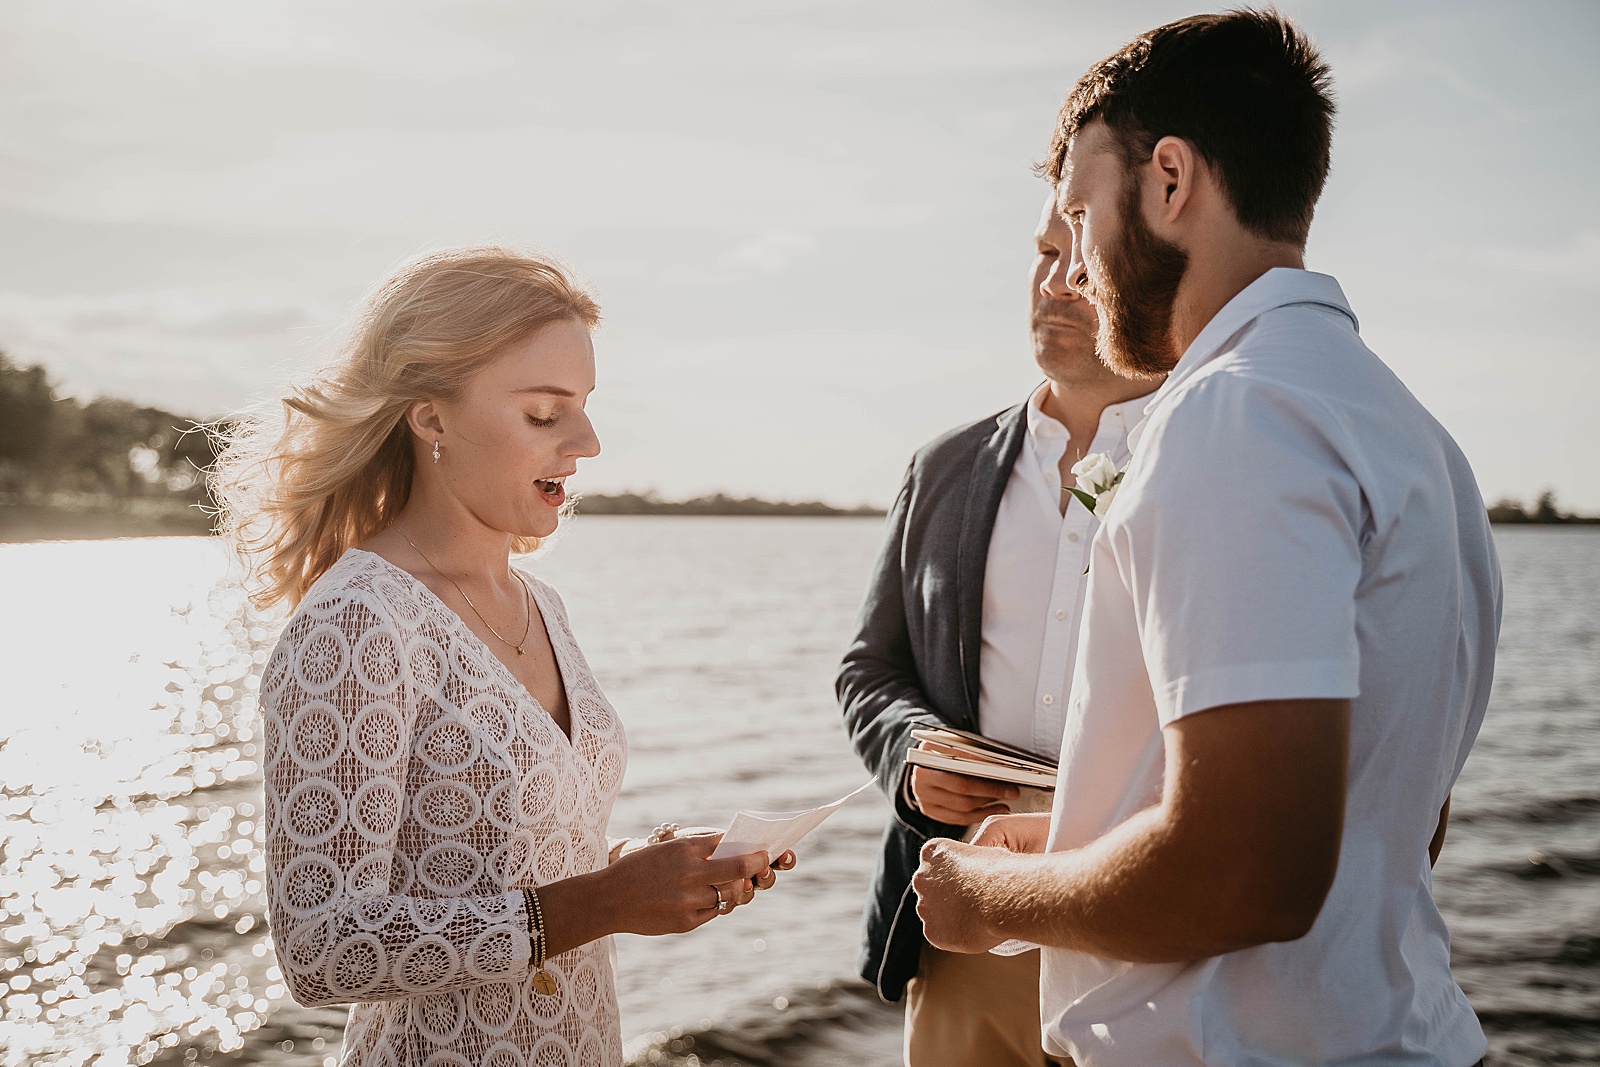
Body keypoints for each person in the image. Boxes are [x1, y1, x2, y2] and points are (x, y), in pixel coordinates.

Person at [911, 12, 1500, 1067]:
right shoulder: (1411, 433)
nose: (1076, 268)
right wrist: (1072, 842)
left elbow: (1244, 869)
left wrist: (988, 895)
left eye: (1080, 215)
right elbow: (1387, 819)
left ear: (1168, 182)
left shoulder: (1235, 417)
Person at [213, 248, 794, 1065]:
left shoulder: (540, 604)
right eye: (544, 413)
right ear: (431, 418)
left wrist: (650, 871)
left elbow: (523, 861)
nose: (587, 441)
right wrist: (604, 900)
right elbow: (319, 947)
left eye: (584, 407)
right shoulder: (358, 624)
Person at [837, 194, 1160, 1066]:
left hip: (1146, 913)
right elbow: (870, 667)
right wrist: (913, 754)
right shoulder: (944, 467)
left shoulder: (1201, 456)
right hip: (967, 919)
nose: (1056, 285)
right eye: (1044, 255)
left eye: (1083, 265)